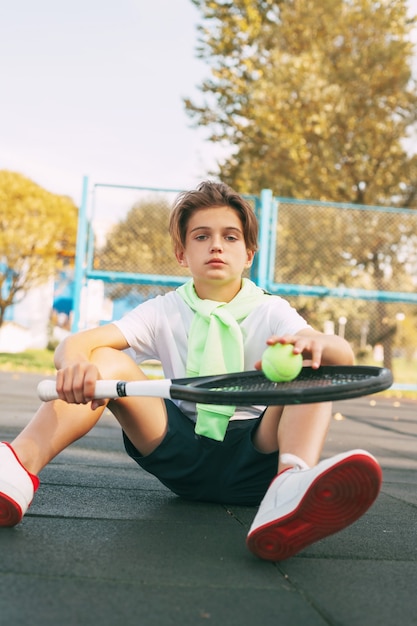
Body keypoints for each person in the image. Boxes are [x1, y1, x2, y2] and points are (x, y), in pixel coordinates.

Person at [0, 181, 382, 561]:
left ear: (249, 253)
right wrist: (74, 365)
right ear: (182, 254)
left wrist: (315, 346)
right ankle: (16, 470)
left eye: (230, 237)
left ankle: (290, 486)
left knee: (315, 370)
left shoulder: (271, 311)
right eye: (202, 236)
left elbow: (342, 354)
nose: (216, 245)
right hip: (180, 450)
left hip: (257, 458)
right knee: (102, 358)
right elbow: (76, 343)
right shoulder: (164, 309)